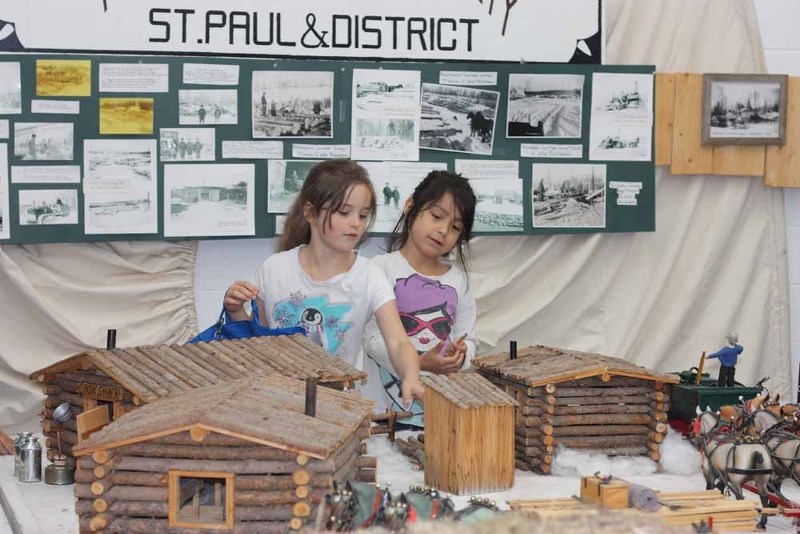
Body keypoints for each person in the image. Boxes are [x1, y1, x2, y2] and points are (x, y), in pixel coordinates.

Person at [223, 159, 424, 406]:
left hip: (340, 407)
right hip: (278, 405)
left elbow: (398, 341)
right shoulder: (274, 269)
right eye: (344, 212)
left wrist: (411, 374)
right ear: (310, 212)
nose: (356, 223)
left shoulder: (369, 276)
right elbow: (259, 340)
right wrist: (235, 311)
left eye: (363, 215)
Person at [363, 170, 478, 428]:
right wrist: (418, 361)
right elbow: (370, 339)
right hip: (385, 411)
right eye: (437, 216)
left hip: (440, 411)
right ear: (410, 206)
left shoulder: (460, 280)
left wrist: (461, 355)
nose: (443, 230)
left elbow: (470, 339)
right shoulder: (381, 268)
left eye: (455, 227)